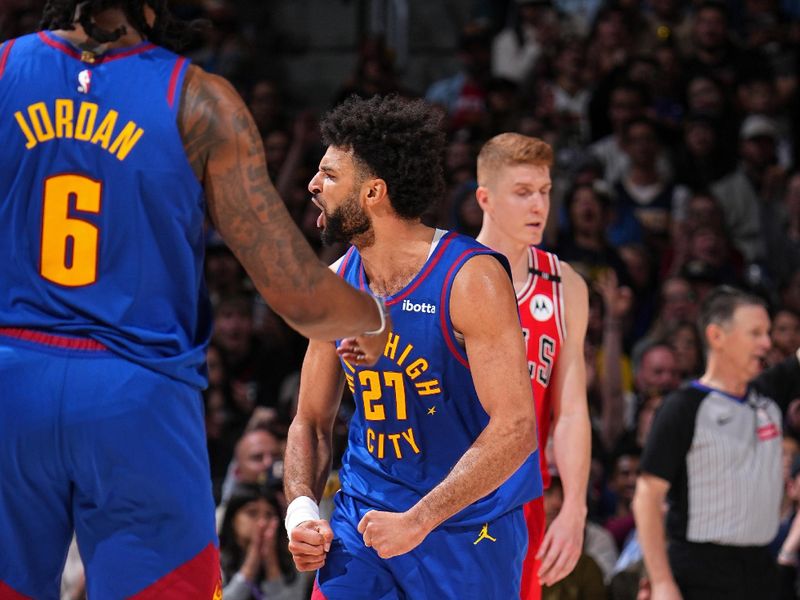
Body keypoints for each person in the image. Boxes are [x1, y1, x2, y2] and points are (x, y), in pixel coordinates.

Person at [0, 3, 392, 598]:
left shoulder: (4, 69)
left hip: (11, 384)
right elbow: (295, 290)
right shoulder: (201, 102)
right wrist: (370, 317)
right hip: (135, 394)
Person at [283, 94, 541, 599]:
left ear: (374, 191)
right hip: (363, 523)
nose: (314, 186)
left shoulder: (469, 278)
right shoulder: (334, 287)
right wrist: (302, 510)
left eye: (331, 175)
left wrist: (419, 520)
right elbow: (310, 421)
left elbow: (516, 428)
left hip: (466, 532)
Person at [474, 132, 591, 600]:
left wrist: (576, 508)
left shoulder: (566, 285)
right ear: (486, 198)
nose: (538, 204)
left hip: (523, 499)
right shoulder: (447, 272)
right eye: (523, 192)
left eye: (544, 191)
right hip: (446, 495)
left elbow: (572, 411)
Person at [633, 286, 800, 600]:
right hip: (699, 573)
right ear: (717, 336)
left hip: (762, 570)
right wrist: (662, 582)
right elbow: (646, 498)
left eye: (767, 332)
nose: (767, 342)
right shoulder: (683, 406)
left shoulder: (768, 395)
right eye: (755, 333)